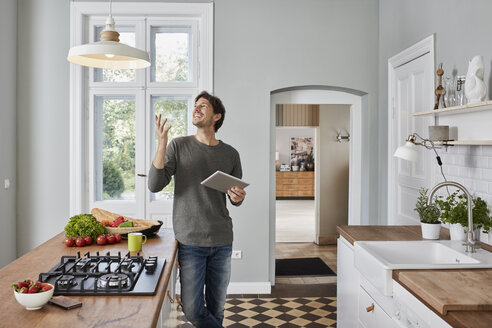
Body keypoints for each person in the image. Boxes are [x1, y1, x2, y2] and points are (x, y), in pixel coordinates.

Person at [148, 91, 246, 328]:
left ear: (216, 116)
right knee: (193, 309)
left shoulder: (230, 153)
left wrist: (238, 197)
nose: (196, 108)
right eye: (195, 106)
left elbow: (236, 197)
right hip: (190, 241)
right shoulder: (178, 145)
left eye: (203, 105)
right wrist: (161, 145)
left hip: (222, 240)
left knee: (216, 308)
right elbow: (155, 184)